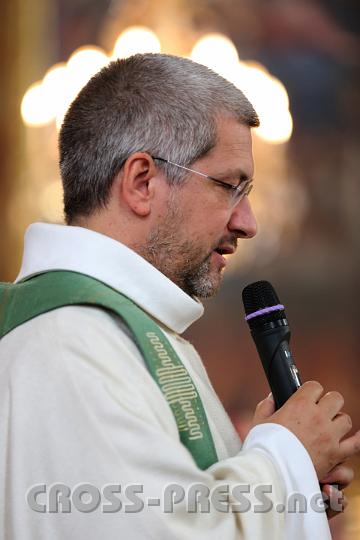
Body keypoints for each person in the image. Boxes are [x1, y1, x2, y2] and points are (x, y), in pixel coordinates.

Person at [0, 53, 358, 540]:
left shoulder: (117, 331)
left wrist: (277, 472)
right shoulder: (71, 341)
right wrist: (286, 456)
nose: (248, 223)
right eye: (230, 187)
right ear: (142, 182)